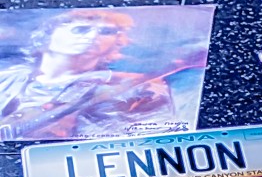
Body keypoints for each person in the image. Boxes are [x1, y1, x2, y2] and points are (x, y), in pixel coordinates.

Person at [0, 9, 175, 141]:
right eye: (80, 29)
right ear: (47, 35)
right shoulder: (7, 78)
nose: (92, 36)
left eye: (106, 32)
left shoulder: (136, 87)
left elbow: (150, 139)